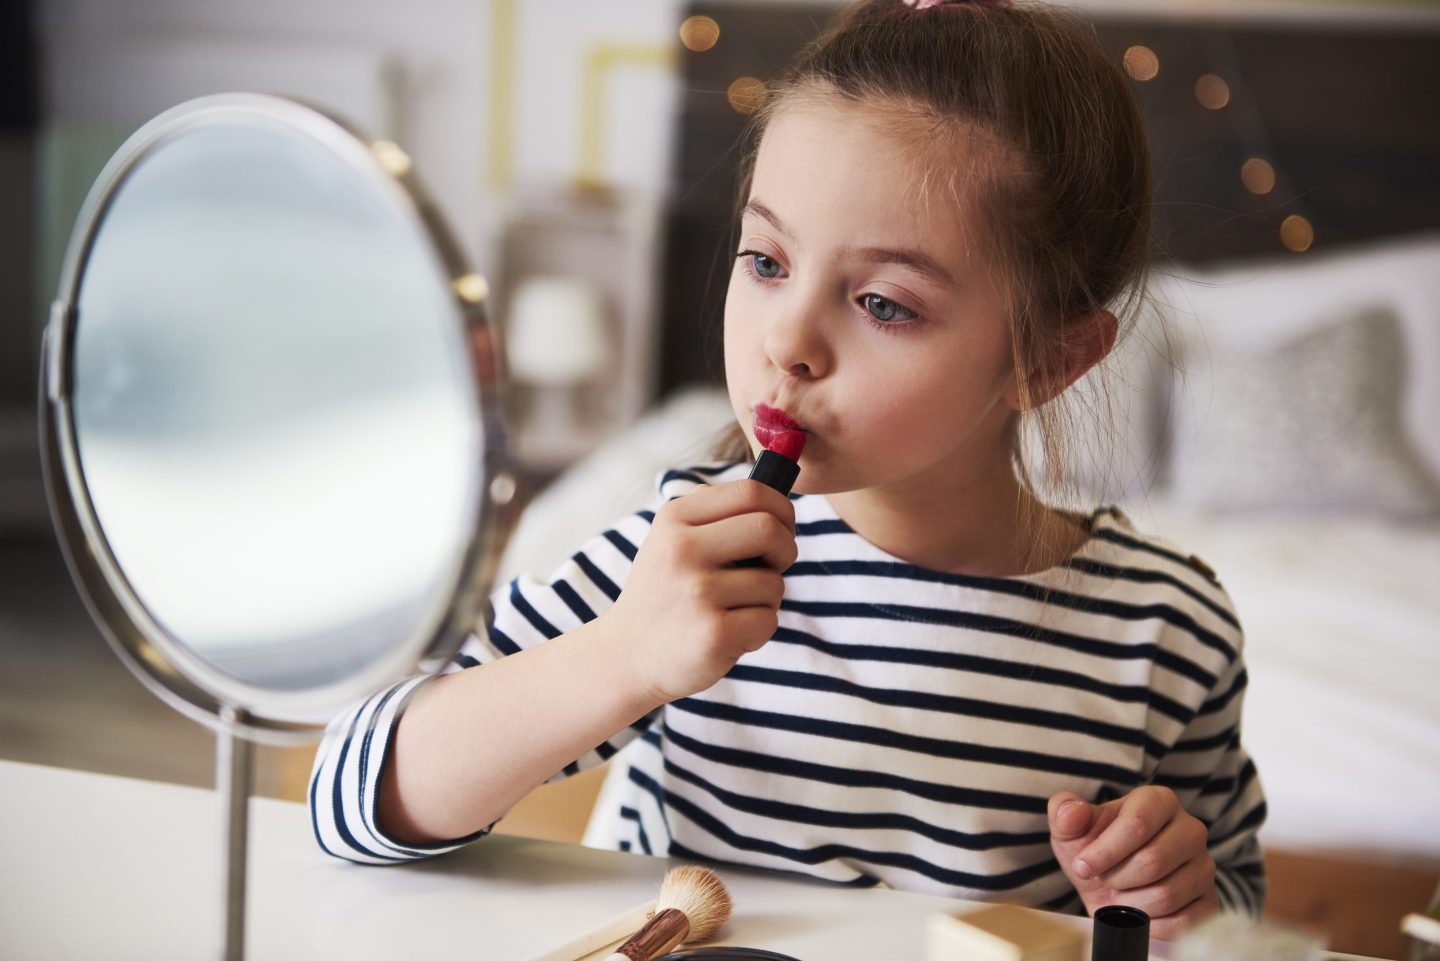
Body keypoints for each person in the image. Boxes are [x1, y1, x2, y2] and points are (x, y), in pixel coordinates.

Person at [310, 0, 1266, 940]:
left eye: (884, 304)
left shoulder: (1165, 632)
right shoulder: (683, 550)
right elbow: (350, 795)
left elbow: (1234, 914)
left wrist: (1180, 905)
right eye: (765, 260)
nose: (788, 341)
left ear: (1048, 359)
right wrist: (625, 656)